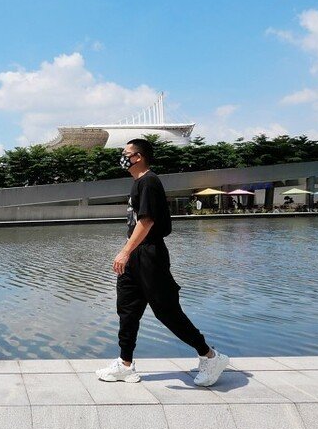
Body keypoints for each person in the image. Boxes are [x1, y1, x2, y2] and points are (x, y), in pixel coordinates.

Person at [97, 139, 230, 388]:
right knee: (127, 309)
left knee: (166, 311)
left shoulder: (149, 181)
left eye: (125, 153)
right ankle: (125, 364)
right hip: (135, 253)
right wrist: (128, 253)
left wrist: (124, 252)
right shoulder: (138, 182)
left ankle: (211, 356)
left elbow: (146, 221)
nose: (122, 158)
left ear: (138, 157)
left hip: (150, 254)